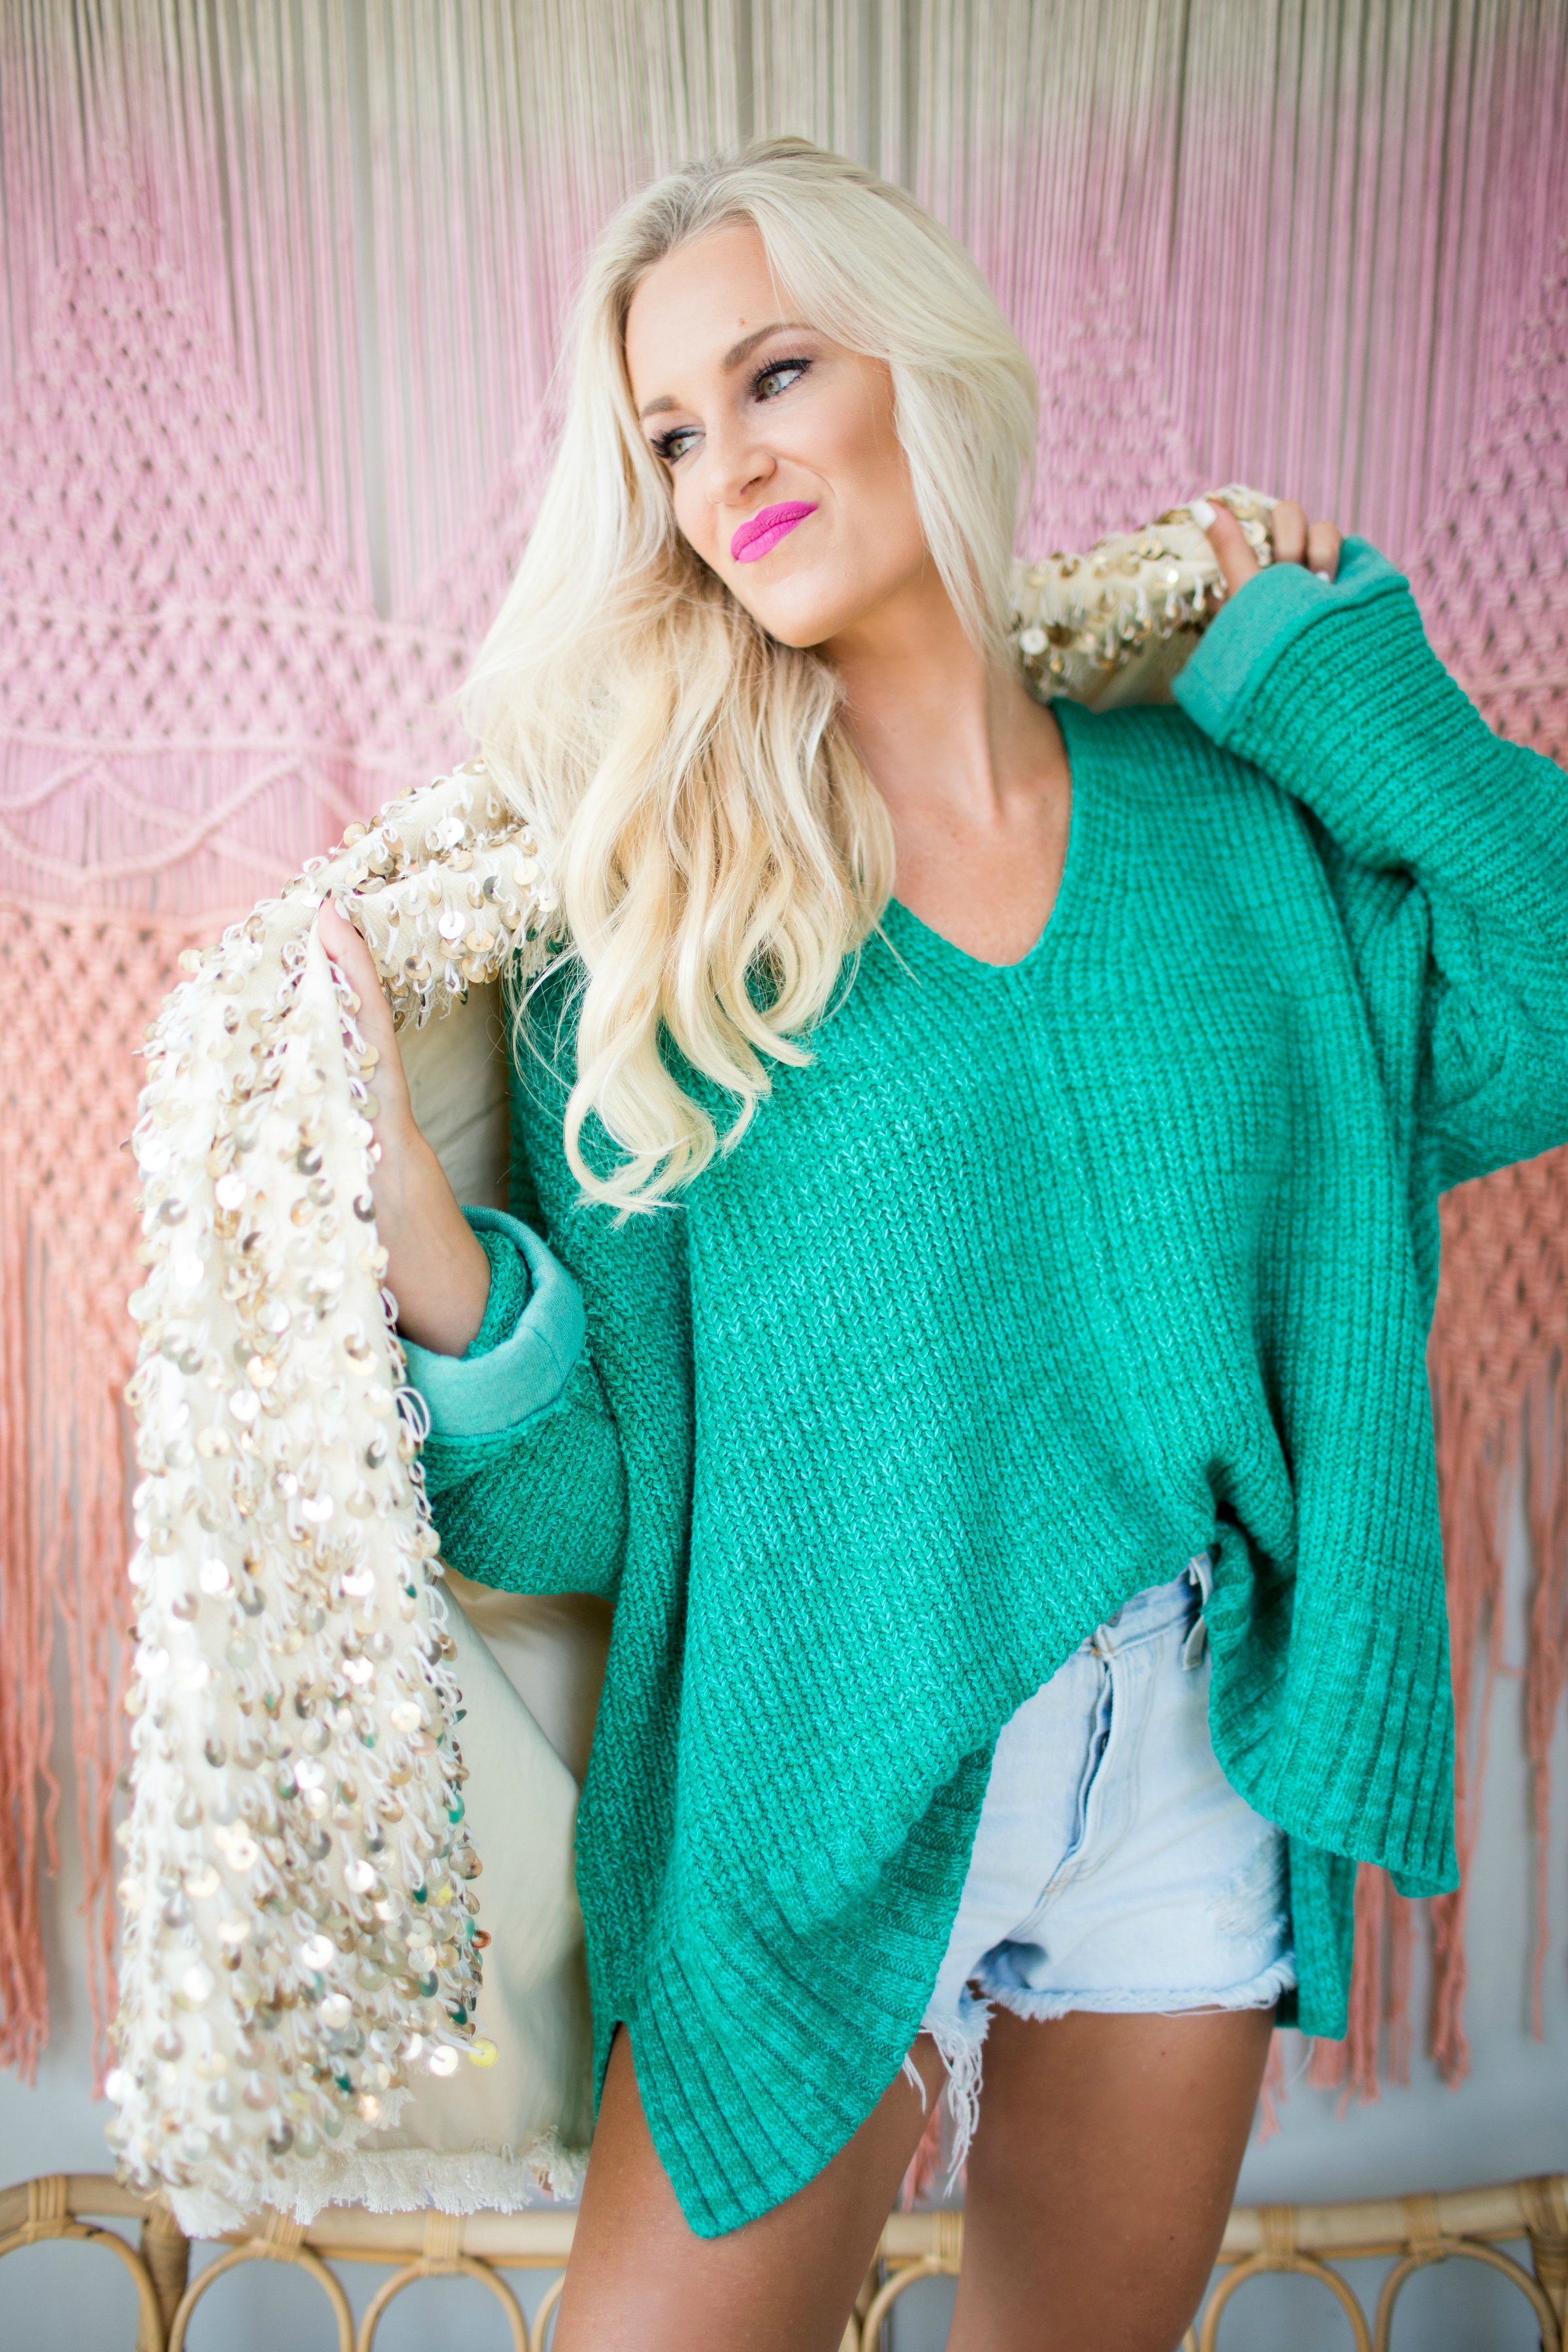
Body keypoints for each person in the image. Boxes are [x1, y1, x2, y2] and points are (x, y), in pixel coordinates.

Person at [316, 136, 1568, 2351]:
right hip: (825, 1763)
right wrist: (431, 1253)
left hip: (1186, 1770)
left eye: (776, 375)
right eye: (670, 435)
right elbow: (599, 1509)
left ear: (929, 365)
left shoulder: (1237, 826)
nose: (726, 468)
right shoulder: (661, 921)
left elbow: (1544, 980)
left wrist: (1321, 660)